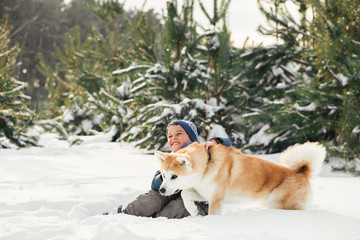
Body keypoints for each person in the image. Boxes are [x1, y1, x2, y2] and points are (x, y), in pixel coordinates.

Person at [109, 120, 232, 218]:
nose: (173, 138)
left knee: (174, 210)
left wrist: (215, 142)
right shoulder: (169, 159)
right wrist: (163, 176)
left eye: (179, 134)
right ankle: (125, 215)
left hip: (195, 198)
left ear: (191, 137)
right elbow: (155, 185)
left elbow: (228, 145)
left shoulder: (200, 150)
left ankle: (156, 221)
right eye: (170, 136)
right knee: (151, 199)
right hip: (170, 192)